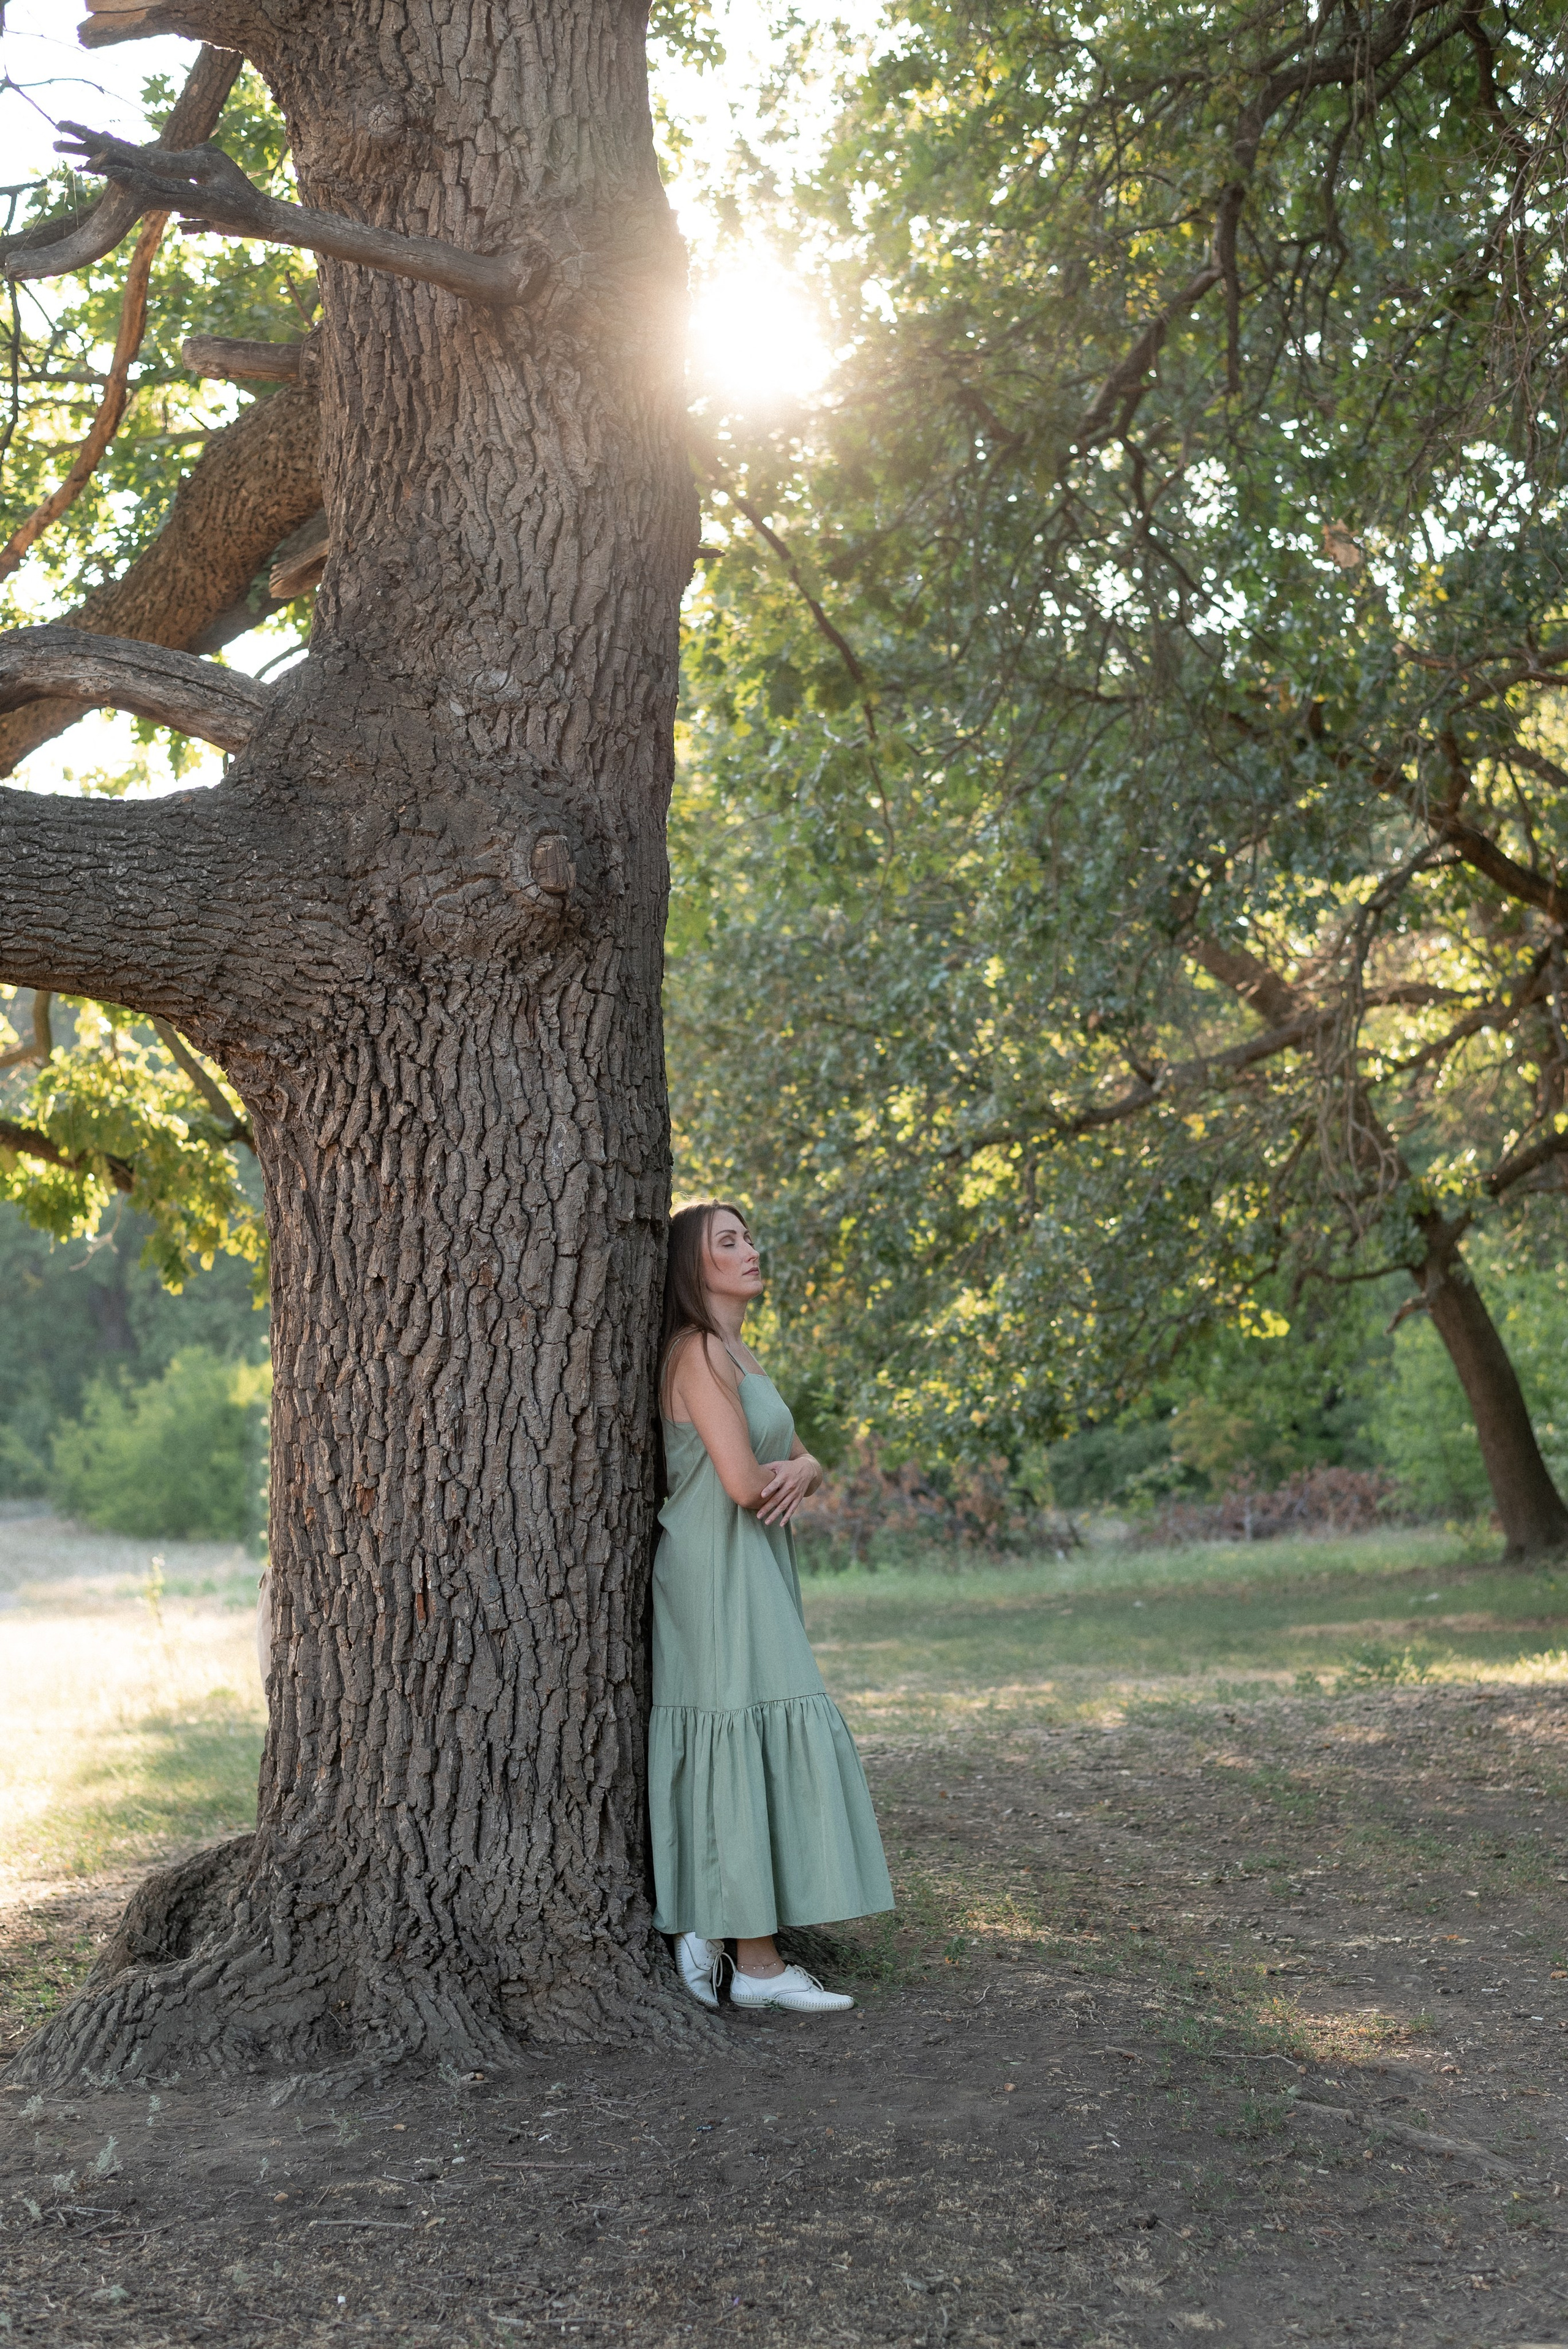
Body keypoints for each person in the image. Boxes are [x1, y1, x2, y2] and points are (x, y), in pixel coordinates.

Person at [650, 1200, 893, 2014]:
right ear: (696, 1265)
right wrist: (790, 1473)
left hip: (751, 1565)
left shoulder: (739, 1351)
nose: (751, 1250)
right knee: (733, 1729)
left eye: (747, 1236)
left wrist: (813, 1467)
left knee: (752, 1734)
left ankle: (754, 1959)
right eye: (729, 1242)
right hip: (713, 1572)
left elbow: (796, 1459)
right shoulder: (695, 1353)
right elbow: (747, 1482)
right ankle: (714, 1928)